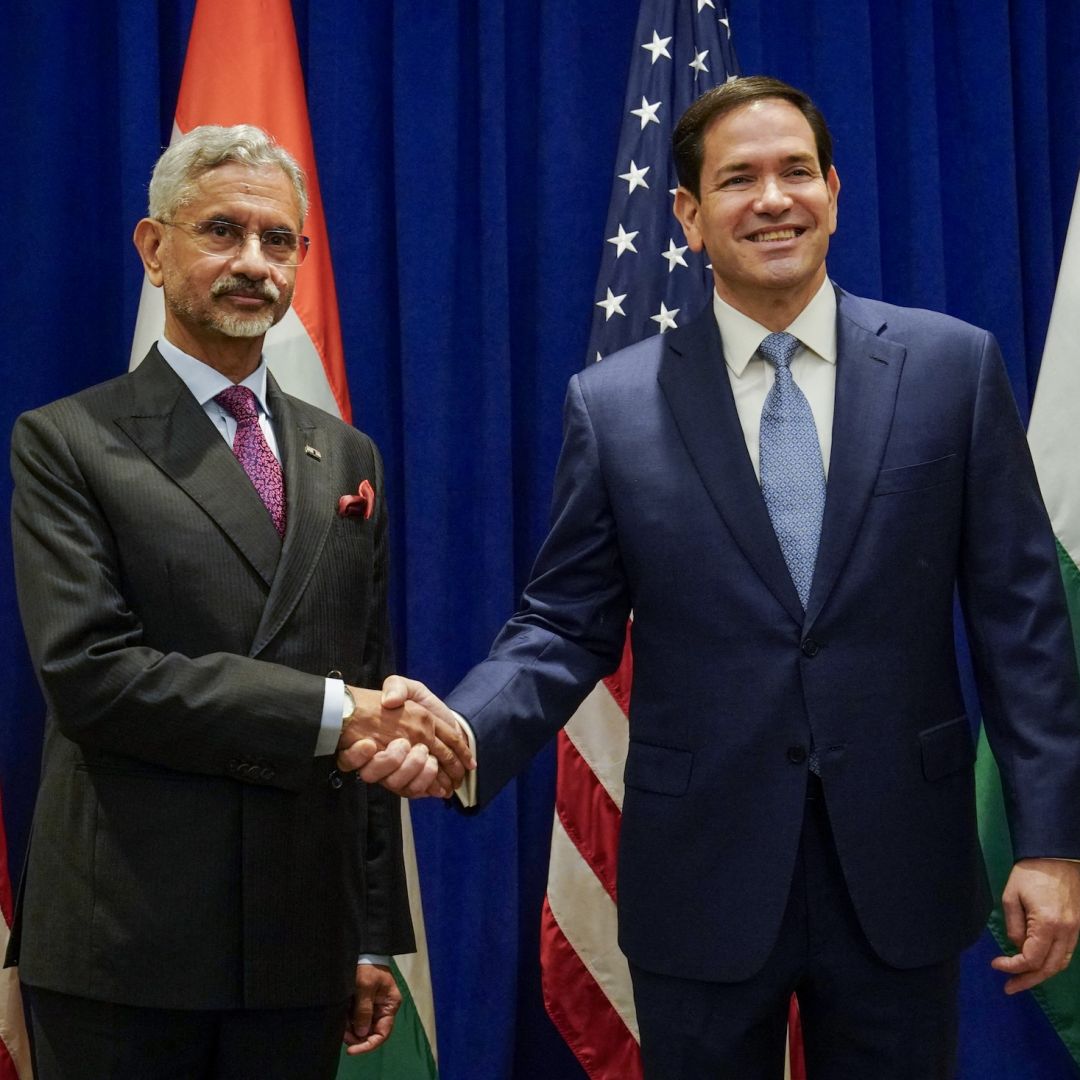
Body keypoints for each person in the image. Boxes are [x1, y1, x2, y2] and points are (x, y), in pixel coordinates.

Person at [365, 77, 1080, 1077]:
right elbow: (564, 624)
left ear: (834, 190)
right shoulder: (614, 407)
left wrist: (1050, 843)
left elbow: (1023, 625)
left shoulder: (951, 368)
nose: (773, 199)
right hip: (700, 870)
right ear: (690, 218)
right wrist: (466, 730)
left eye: (796, 172)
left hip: (899, 864)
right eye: (738, 179)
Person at [7, 124, 471, 1080]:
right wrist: (332, 715)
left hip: (300, 947)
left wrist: (370, 933)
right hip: (125, 945)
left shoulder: (346, 455)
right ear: (153, 247)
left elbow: (370, 693)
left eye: (279, 240)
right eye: (222, 231)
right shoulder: (66, 441)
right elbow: (92, 677)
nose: (253, 262)